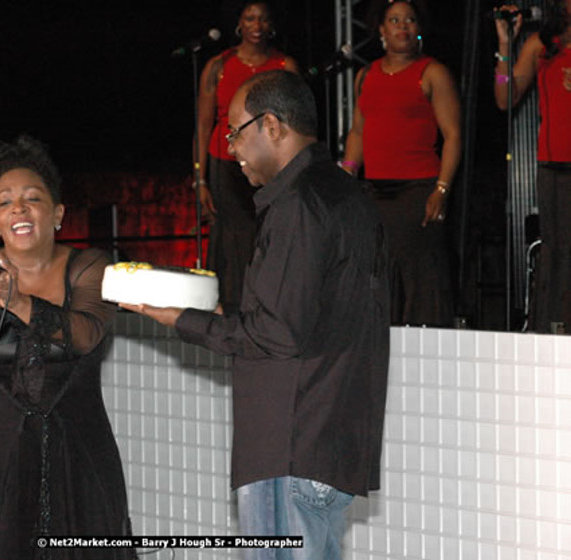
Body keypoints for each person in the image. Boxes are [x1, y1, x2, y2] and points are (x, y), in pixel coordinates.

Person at [125, 70, 390, 560]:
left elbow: (277, 333)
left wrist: (181, 319)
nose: (230, 149)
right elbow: (306, 314)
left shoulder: (298, 204)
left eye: (234, 132)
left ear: (271, 125)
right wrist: (227, 313)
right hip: (330, 442)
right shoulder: (346, 193)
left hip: (289, 444)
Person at [0, 135, 136, 560]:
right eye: (5, 202)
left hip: (78, 449)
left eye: (32, 198)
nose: (18, 208)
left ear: (57, 214)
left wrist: (18, 302)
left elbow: (85, 334)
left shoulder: (89, 266)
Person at [342, 0, 462, 327]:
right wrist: (348, 172)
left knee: (420, 278)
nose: (402, 26)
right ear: (381, 29)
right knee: (380, 275)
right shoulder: (366, 75)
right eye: (394, 20)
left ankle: (426, 350)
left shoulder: (432, 72)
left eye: (409, 20)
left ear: (419, 28)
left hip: (418, 190)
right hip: (375, 193)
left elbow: (453, 135)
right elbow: (358, 131)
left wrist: (442, 189)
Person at [195, 0, 298, 313]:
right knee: (234, 237)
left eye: (263, 19)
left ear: (272, 25)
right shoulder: (219, 66)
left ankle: (266, 307)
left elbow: (296, 125)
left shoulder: (284, 66)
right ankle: (232, 309)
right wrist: (200, 179)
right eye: (250, 18)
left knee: (269, 232)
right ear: (239, 23)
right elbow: (203, 126)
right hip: (226, 163)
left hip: (270, 166)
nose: (257, 26)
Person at [493, 1, 571, 333]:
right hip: (553, 168)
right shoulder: (543, 44)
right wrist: (505, 47)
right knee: (557, 255)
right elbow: (504, 97)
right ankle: (556, 330)